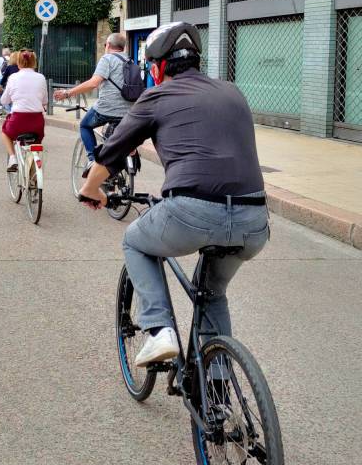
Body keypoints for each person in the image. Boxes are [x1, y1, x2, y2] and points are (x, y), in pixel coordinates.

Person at [79, 22, 268, 368]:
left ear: (157, 67)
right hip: (254, 219)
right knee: (212, 293)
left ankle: (158, 330)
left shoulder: (157, 96)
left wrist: (91, 190)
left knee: (135, 241)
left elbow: (114, 150)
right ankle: (219, 393)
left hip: (193, 211)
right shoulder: (233, 92)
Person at [54, 33, 134, 173]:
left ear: (108, 45)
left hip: (106, 109)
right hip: (128, 112)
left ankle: (92, 160)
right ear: (123, 47)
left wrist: (68, 93)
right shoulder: (130, 61)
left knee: (85, 125)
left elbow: (93, 83)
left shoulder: (107, 59)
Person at [0, 50, 48, 171]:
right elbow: (45, 100)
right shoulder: (41, 77)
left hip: (18, 121)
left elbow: (4, 101)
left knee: (5, 132)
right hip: (37, 121)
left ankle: (12, 158)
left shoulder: (13, 77)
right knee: (34, 146)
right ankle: (33, 177)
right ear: (34, 63)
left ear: (19, 63)